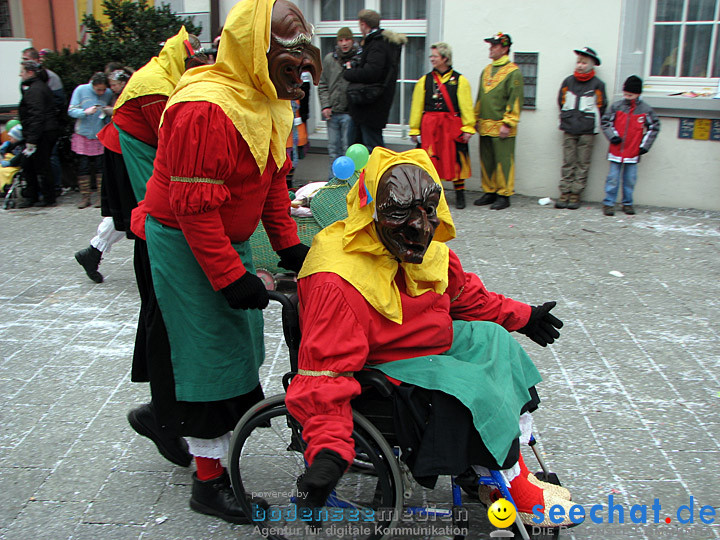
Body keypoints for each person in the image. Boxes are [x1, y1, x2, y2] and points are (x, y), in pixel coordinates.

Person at [284, 147, 576, 529]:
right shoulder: (337, 279)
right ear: (371, 211)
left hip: (425, 344)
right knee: (473, 383)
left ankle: (492, 468)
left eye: (428, 211)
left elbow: (465, 297)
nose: (421, 228)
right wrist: (328, 453)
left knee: (494, 341)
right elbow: (325, 373)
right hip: (379, 365)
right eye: (400, 213)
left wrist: (524, 316)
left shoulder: (429, 252)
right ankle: (513, 484)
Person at [129, 0, 321, 523]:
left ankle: (183, 431)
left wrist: (288, 247)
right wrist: (230, 277)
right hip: (181, 240)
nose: (298, 81)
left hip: (218, 237)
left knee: (238, 347)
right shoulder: (206, 108)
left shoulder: (264, 101)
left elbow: (271, 184)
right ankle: (208, 485)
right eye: (292, 67)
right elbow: (193, 208)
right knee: (208, 360)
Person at [107, 30, 208, 469]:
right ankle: (164, 416)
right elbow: (180, 150)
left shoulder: (162, 80)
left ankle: (163, 413)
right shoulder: (157, 89)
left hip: (156, 218)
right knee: (164, 319)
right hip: (157, 222)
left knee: (161, 317)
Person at [74, 69, 134, 284]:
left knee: (128, 209)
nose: (112, 88)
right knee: (129, 209)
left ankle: (93, 252)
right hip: (123, 152)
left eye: (114, 85)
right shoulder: (132, 94)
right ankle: (93, 251)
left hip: (121, 150)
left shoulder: (131, 92)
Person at [409, 42, 475, 209]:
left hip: (450, 127)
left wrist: (468, 127)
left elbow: (466, 106)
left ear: (445, 58)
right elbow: (417, 106)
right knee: (431, 160)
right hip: (430, 127)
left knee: (455, 159)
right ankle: (433, 195)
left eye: (435, 56)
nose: (432, 59)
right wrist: (414, 128)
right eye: (431, 56)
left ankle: (460, 194)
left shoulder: (460, 81)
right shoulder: (424, 81)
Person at [473, 32, 523, 211]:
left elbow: (515, 99)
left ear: (505, 48)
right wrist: (475, 118)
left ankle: (504, 193)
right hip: (485, 123)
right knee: (486, 160)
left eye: (494, 46)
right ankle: (490, 190)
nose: (491, 49)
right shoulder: (486, 70)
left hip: (502, 125)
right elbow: (480, 96)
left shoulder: (513, 72)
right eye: (491, 45)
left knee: (503, 160)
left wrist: (508, 122)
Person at [343, 9, 406, 150]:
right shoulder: (379, 43)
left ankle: (375, 172)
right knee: (356, 148)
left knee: (371, 149)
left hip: (370, 106)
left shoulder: (377, 44)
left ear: (364, 24)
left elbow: (371, 73)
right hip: (366, 106)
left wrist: (349, 72)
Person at [555, 47, 607, 210]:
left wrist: (589, 120)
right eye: (578, 62)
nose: (580, 66)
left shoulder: (598, 84)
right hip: (569, 127)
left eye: (584, 63)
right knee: (568, 161)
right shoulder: (568, 81)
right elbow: (561, 101)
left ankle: (576, 193)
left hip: (587, 130)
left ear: (592, 65)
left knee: (582, 163)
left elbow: (601, 106)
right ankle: (565, 192)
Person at [600, 75, 660, 216]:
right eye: (625, 94)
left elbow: (654, 127)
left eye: (630, 95)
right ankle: (609, 203)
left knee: (630, 180)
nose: (627, 97)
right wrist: (612, 136)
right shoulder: (617, 106)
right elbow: (605, 122)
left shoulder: (645, 110)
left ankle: (627, 203)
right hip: (616, 151)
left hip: (633, 152)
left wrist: (644, 146)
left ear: (638, 94)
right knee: (613, 178)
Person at [18, 61, 60, 208]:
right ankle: (37, 195)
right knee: (34, 165)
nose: (20, 74)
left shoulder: (35, 89)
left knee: (39, 165)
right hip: (44, 131)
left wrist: (31, 140)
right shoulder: (39, 86)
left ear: (30, 72)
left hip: (41, 133)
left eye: (22, 71)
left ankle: (44, 196)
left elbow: (36, 115)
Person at [68, 72, 113, 208]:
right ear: (92, 85)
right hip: (83, 133)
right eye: (98, 89)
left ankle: (101, 196)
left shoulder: (109, 93)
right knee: (83, 166)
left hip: (99, 134)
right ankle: (85, 196)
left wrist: (106, 112)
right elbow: (71, 110)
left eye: (103, 90)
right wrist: (84, 112)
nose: (101, 92)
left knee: (101, 167)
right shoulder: (81, 90)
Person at [23, 48, 65, 193]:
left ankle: (51, 190)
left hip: (45, 129)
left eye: (25, 60)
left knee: (46, 161)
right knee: (42, 162)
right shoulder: (35, 85)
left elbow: (38, 112)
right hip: (44, 127)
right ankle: (47, 191)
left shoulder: (39, 86)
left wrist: (32, 138)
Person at [318, 27, 358, 179]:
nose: (344, 43)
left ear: (352, 41)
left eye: (347, 40)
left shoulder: (357, 59)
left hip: (350, 113)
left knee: (348, 151)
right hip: (333, 113)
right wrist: (325, 105)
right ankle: (332, 183)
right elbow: (323, 84)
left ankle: (350, 184)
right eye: (341, 40)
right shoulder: (330, 59)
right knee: (333, 151)